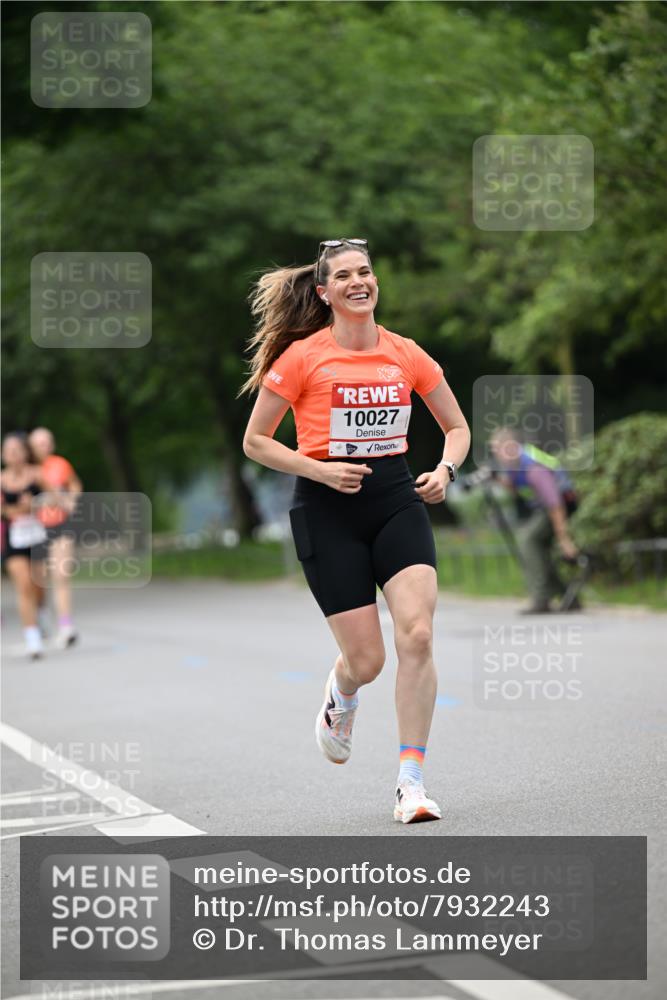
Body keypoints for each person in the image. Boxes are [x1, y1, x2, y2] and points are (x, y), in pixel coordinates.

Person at [241, 238, 470, 823]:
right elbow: (255, 442)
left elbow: (457, 428)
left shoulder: (405, 353)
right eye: (343, 276)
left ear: (375, 282)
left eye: (364, 272)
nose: (357, 282)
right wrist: (319, 469)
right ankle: (342, 692)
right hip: (326, 509)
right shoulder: (302, 358)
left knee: (417, 635)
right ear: (324, 292)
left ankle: (411, 783)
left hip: (395, 500)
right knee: (367, 660)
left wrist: (445, 470)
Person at [489, 428, 580, 614]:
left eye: (498, 449)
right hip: (544, 509)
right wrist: (497, 479)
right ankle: (568, 597)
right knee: (538, 551)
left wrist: (564, 539)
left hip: (559, 509)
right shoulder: (514, 464)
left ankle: (541, 599)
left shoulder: (533, 467)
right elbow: (519, 489)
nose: (495, 454)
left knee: (528, 540)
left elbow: (555, 504)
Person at [28, 427, 81, 648]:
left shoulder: (60, 464)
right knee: (38, 579)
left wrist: (72, 500)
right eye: (40, 443)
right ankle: (40, 615)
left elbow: (75, 484)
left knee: (61, 574)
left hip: (60, 524)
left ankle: (66, 626)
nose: (45, 447)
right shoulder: (27, 470)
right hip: (33, 529)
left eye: (48, 442)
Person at [1, 433, 48, 659]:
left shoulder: (37, 474)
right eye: (8, 451)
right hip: (14, 539)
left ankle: (42, 611)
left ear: (25, 452)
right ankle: (32, 638)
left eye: (17, 450)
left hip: (37, 537)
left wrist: (35, 503)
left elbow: (55, 499)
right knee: (24, 586)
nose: (13, 455)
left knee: (38, 585)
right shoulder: (1, 480)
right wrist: (17, 510)